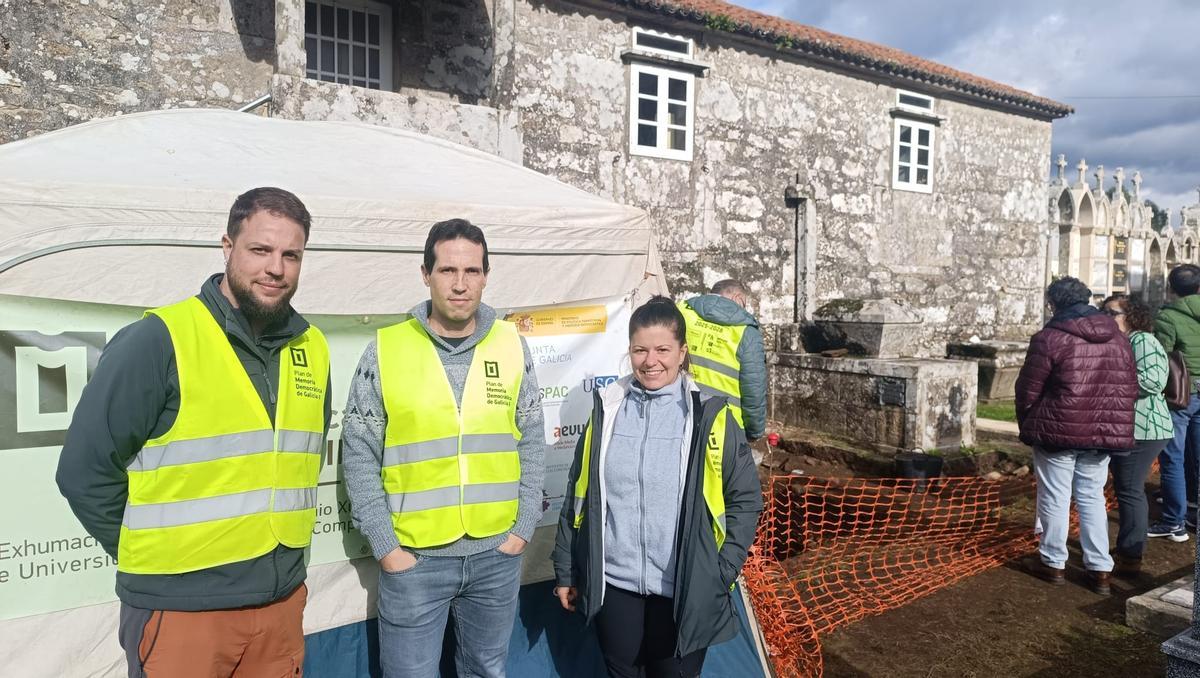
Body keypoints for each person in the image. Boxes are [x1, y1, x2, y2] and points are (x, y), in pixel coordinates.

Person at [56, 187, 332, 677]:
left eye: (291, 255)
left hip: (280, 604)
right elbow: (83, 471)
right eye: (260, 250)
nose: (276, 268)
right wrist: (147, 551)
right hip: (182, 610)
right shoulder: (159, 340)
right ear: (227, 247)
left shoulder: (311, 347)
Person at [341, 218, 545, 678]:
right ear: (425, 274)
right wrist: (387, 547)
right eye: (447, 271)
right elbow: (357, 452)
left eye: (471, 271)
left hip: (497, 556)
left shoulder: (512, 345)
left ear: (486, 276)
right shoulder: (386, 350)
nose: (460, 284)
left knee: (486, 671)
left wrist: (522, 529)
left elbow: (531, 439)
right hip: (415, 560)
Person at [552, 296, 763, 678]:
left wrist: (721, 570)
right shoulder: (607, 409)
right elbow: (577, 495)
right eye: (640, 350)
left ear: (682, 352)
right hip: (615, 586)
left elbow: (745, 500)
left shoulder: (711, 415)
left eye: (663, 349)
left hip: (685, 587)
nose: (651, 361)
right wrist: (566, 570)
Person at [1015, 276, 1137, 595]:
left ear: (1054, 304)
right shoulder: (1119, 339)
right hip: (1102, 431)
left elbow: (1029, 387)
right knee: (1091, 495)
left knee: (1057, 495)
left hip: (1059, 427)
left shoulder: (1050, 337)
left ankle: (1053, 560)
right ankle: (1099, 567)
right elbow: (1128, 388)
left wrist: (1029, 420)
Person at [1102, 294, 1174, 574]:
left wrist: (1110, 380)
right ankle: (1129, 548)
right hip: (1133, 427)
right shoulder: (1124, 342)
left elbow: (1153, 381)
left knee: (1130, 490)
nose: (1107, 318)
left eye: (1113, 313)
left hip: (1146, 427)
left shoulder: (1142, 341)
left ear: (1131, 316)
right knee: (1126, 488)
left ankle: (1131, 554)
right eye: (1104, 312)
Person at [677, 279, 768, 441]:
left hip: (680, 413)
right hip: (726, 427)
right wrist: (754, 431)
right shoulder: (746, 332)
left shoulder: (682, 311)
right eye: (744, 304)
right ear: (737, 298)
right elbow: (754, 389)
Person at [1152, 263, 1200, 539]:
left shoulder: (1167, 317)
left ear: (1171, 288)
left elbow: (1163, 358)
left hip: (1184, 393)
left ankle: (1174, 521)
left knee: (1173, 457)